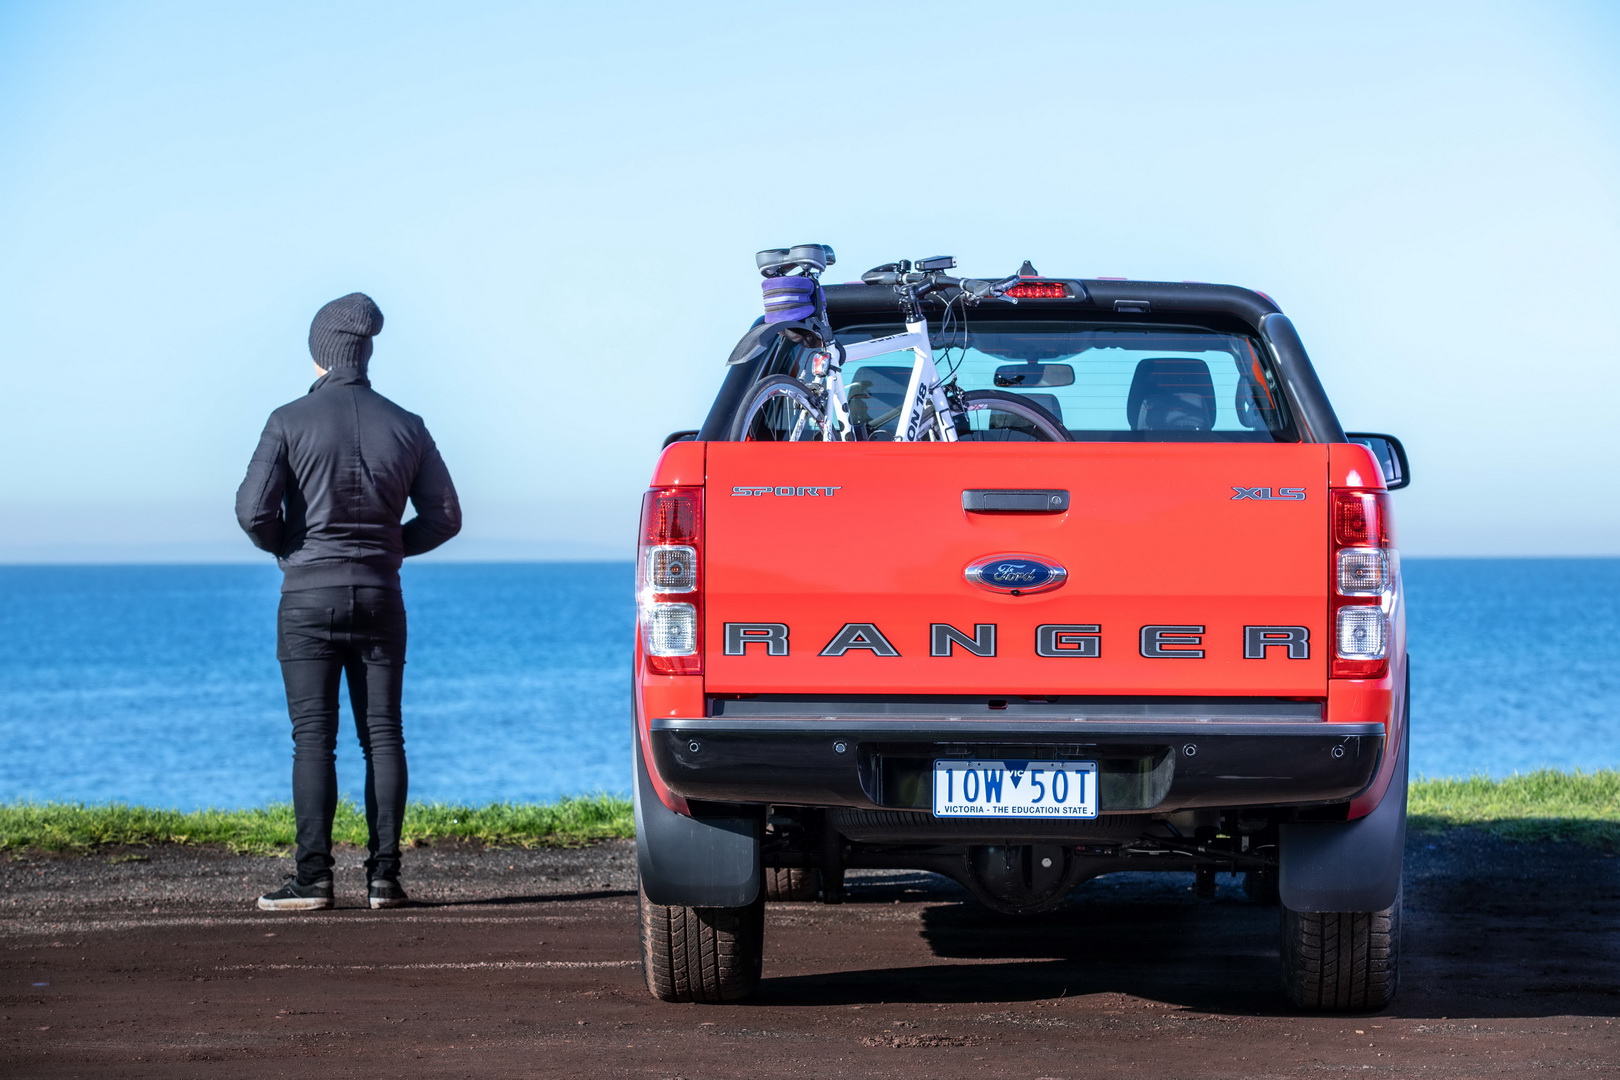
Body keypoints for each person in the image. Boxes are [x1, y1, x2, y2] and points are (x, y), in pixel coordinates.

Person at [236, 293, 461, 911]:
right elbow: (445, 518)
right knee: (384, 736)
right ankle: (384, 879)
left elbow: (253, 511)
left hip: (307, 597)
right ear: (365, 352)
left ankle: (313, 880)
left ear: (321, 353)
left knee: (314, 739)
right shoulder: (407, 424)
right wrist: (389, 548)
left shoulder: (287, 419)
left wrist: (289, 547)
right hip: (382, 597)